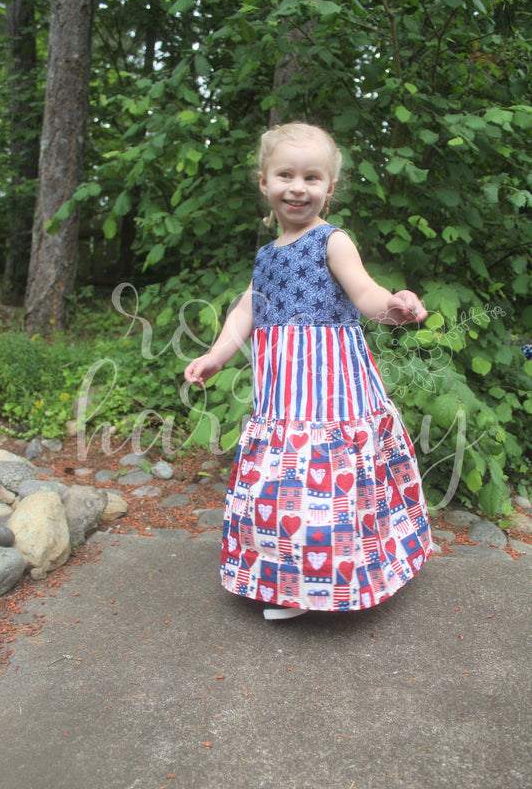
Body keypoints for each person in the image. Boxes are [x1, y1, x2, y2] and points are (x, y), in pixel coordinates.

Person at [185, 122, 433, 620]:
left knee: (330, 491)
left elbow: (365, 295)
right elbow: (246, 313)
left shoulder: (332, 241)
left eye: (312, 178)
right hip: (282, 396)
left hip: (332, 391)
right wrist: (215, 356)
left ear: (329, 189)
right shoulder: (265, 256)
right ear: (264, 182)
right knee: (281, 488)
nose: (298, 187)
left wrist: (395, 306)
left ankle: (330, 581)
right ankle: (288, 577)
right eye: (286, 175)